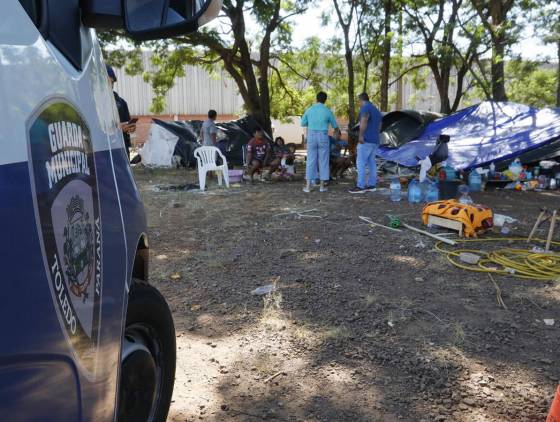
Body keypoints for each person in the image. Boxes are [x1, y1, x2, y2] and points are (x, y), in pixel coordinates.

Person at [301, 91, 338, 193]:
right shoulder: (327, 111)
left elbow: (303, 123)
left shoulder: (309, 110)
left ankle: (308, 186)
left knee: (310, 161)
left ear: (316, 99)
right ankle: (322, 186)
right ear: (325, 100)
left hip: (311, 135)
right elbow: (335, 126)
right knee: (323, 161)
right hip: (323, 136)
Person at [349, 92, 383, 194]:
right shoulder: (376, 110)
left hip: (366, 140)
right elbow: (380, 126)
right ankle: (372, 185)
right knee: (372, 162)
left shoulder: (365, 107)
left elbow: (363, 121)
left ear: (361, 100)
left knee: (361, 162)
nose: (358, 104)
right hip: (375, 140)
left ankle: (361, 186)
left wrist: (361, 135)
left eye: (358, 101)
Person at [107, 65, 136, 160]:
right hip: (104, 150)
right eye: (106, 81)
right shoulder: (93, 102)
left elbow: (127, 123)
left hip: (122, 148)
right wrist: (116, 128)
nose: (109, 84)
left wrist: (130, 128)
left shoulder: (121, 102)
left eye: (111, 81)